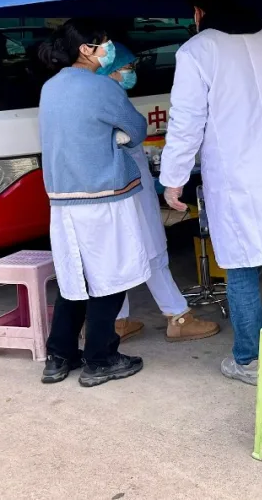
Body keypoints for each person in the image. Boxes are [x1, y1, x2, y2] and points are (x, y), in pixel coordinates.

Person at [160, 0, 262, 386]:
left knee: (241, 266)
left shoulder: (197, 51)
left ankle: (248, 359)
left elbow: (187, 122)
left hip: (235, 174)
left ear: (199, 11)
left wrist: (173, 179)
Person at [36, 19, 150, 388]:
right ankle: (100, 359)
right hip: (102, 198)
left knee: (74, 279)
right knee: (111, 277)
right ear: (86, 49)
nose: (109, 48)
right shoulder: (102, 87)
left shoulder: (51, 87)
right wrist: (117, 137)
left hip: (62, 200)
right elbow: (137, 128)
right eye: (104, 43)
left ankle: (59, 356)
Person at [95, 43, 220, 343]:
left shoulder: (87, 97)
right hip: (130, 188)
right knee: (152, 250)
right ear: (110, 70)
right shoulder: (110, 98)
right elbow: (137, 129)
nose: (131, 73)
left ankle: (115, 322)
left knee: (116, 253)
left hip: (108, 189)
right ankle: (178, 317)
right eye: (127, 68)